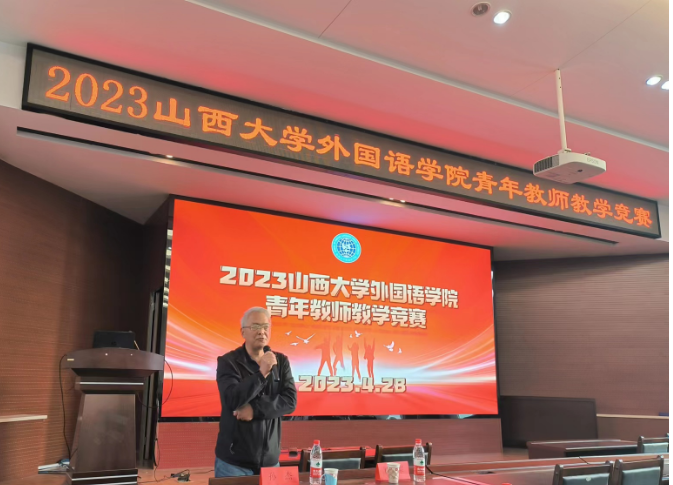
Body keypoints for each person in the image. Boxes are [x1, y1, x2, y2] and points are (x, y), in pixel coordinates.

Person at [214, 307, 297, 477]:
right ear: (243, 332)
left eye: (266, 327)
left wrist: (254, 410)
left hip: (270, 462)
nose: (261, 332)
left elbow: (290, 401)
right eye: (255, 327)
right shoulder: (228, 362)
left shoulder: (281, 361)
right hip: (234, 463)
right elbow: (232, 399)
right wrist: (261, 374)